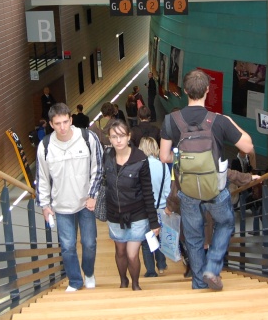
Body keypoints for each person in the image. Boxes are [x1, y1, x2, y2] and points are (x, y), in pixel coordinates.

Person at [159, 69, 254, 291]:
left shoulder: (171, 121)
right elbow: (248, 146)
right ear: (207, 91)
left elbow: (164, 156)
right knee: (226, 223)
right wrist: (232, 122)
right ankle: (212, 267)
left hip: (188, 190)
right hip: (216, 189)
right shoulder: (219, 121)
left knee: (193, 236)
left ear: (184, 91)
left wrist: (185, 159)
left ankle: (199, 282)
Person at [36, 103, 103, 292]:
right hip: (61, 205)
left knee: (89, 243)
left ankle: (88, 272)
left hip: (85, 203)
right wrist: (45, 205)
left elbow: (98, 169)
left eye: (65, 122)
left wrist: (93, 195)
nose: (62, 127)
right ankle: (75, 280)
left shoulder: (88, 138)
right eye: (57, 124)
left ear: (71, 120)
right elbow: (42, 178)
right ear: (51, 124)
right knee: (67, 246)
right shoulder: (45, 146)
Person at [103, 120, 160, 290]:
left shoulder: (140, 159)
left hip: (137, 213)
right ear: (109, 139)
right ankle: (123, 281)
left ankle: (135, 284)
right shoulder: (107, 156)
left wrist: (154, 221)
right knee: (120, 251)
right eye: (114, 137)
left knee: (131, 253)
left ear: (129, 136)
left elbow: (148, 192)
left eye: (121, 136)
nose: (118, 140)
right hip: (114, 214)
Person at [139, 136, 170, 278]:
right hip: (162, 208)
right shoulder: (163, 165)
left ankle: (151, 270)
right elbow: (168, 191)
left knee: (147, 240)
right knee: (160, 237)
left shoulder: (139, 167)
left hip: (145, 209)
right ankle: (162, 264)